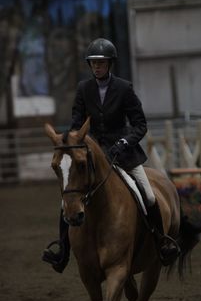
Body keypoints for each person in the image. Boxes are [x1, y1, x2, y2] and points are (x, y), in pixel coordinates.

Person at [42, 38, 179, 273]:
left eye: (101, 62)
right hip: (92, 154)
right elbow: (76, 123)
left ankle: (161, 242)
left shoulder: (124, 88)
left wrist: (124, 142)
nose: (97, 67)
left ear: (110, 63)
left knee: (148, 194)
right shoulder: (84, 89)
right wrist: (69, 140)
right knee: (66, 201)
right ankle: (62, 251)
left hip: (124, 153)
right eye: (93, 63)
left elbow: (140, 124)